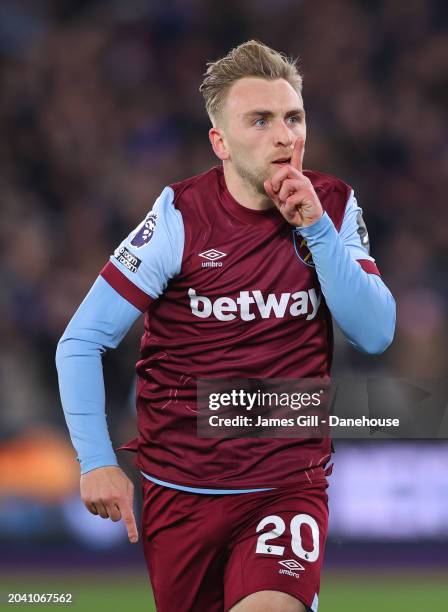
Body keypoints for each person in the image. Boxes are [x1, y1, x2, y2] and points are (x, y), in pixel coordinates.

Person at [56, 40, 395, 612]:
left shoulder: (332, 206)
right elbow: (81, 341)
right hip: (181, 491)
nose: (285, 136)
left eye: (293, 117)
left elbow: (376, 331)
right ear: (221, 142)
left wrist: (316, 230)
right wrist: (96, 463)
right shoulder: (178, 218)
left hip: (289, 482)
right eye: (259, 120)